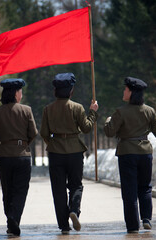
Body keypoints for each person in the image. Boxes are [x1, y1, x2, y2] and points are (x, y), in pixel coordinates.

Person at [104, 77, 156, 234]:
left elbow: (109, 132)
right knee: (145, 188)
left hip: (127, 154)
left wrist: (108, 121)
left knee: (129, 191)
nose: (123, 91)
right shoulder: (149, 111)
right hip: (145, 154)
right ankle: (146, 219)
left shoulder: (120, 112)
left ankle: (132, 226)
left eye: (125, 89)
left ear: (131, 92)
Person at [40, 73, 99, 235]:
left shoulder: (48, 109)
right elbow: (86, 127)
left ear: (55, 91)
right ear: (71, 90)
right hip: (74, 151)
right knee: (76, 185)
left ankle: (63, 225)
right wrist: (93, 112)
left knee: (58, 189)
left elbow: (44, 132)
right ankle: (74, 209)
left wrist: (52, 144)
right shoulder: (77, 107)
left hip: (55, 152)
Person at [0, 78, 38, 237]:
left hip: (4, 157)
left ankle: (11, 221)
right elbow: (33, 133)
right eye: (20, 91)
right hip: (23, 156)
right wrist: (24, 144)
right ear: (16, 93)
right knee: (20, 191)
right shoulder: (26, 110)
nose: (21, 94)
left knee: (7, 191)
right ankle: (14, 219)